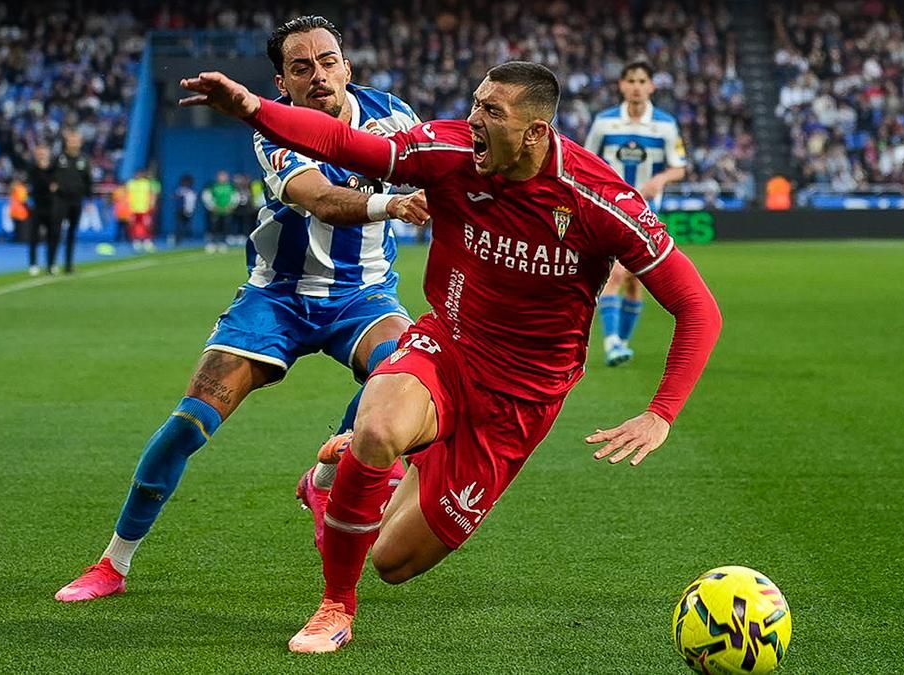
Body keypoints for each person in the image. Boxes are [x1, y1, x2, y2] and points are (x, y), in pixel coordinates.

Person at [178, 60, 722, 653]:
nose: (474, 120)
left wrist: (661, 412)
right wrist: (254, 109)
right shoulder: (448, 150)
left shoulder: (598, 200)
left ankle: (362, 470)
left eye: (493, 112)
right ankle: (336, 604)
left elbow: (698, 308)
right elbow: (344, 142)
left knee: (393, 561)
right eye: (475, 104)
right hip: (448, 347)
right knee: (378, 426)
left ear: (537, 133)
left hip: (521, 402)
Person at [54, 15, 430, 604]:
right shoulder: (272, 132)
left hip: (365, 297)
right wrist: (394, 204)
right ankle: (113, 564)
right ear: (283, 82)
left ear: (347, 66)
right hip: (275, 297)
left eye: (328, 61)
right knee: (187, 426)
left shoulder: (397, 116)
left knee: (406, 369)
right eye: (301, 67)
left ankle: (325, 478)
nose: (319, 75)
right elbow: (323, 201)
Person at [584, 62, 688, 366]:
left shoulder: (666, 125)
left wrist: (661, 179)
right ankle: (613, 342)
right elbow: (586, 160)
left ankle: (622, 340)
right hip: (609, 210)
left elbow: (679, 166)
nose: (636, 86)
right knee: (616, 272)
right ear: (622, 85)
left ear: (652, 86)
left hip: (647, 213)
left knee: (634, 280)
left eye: (642, 80)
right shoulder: (604, 123)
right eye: (631, 80)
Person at [53, 129, 92, 273]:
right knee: (56, 231)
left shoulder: (84, 159)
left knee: (72, 232)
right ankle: (52, 263)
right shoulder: (59, 158)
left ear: (80, 143)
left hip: (76, 200)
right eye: (71, 140)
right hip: (60, 200)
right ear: (66, 142)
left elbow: (88, 181)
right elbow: (50, 174)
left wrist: (89, 199)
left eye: (76, 140)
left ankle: (68, 264)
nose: (74, 143)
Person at [26, 145, 58, 275]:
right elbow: (39, 185)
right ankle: (33, 264)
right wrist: (49, 185)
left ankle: (51, 263)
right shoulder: (32, 169)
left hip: (52, 207)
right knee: (34, 237)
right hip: (38, 207)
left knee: (53, 237)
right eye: (39, 153)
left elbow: (56, 186)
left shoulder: (53, 169)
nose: (41, 155)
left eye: (43, 153)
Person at [200, 170, 235, 252]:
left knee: (225, 227)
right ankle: (212, 243)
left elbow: (235, 197)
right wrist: (212, 206)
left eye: (224, 176)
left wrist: (231, 206)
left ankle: (222, 243)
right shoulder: (213, 186)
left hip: (226, 211)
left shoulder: (230, 186)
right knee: (214, 227)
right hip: (215, 211)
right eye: (221, 176)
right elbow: (206, 196)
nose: (223, 178)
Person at [125, 169, 156, 252]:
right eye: (136, 174)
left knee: (147, 226)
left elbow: (151, 195)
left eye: (139, 174)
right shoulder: (130, 183)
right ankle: (136, 243)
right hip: (133, 209)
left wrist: (151, 205)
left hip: (144, 209)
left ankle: (147, 242)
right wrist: (128, 209)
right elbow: (127, 197)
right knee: (134, 226)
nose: (138, 175)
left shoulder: (146, 183)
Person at [173, 174, 198, 244]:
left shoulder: (192, 191)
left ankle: (188, 238)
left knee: (187, 225)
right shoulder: (180, 190)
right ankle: (178, 239)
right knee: (179, 225)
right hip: (180, 210)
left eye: (188, 182)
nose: (187, 183)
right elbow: (175, 197)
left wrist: (191, 209)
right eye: (185, 182)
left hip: (189, 210)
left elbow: (194, 201)